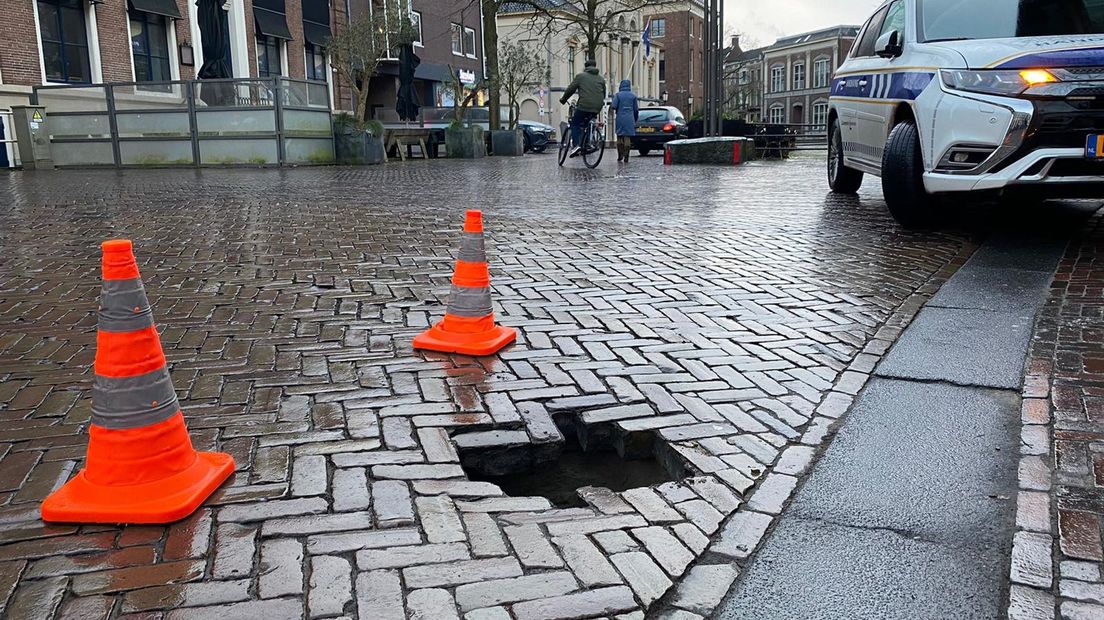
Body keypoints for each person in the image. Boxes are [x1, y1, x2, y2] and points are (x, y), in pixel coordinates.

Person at [559, 59, 607, 158]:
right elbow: (604, 93)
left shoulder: (580, 76)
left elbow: (571, 89)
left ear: (585, 67)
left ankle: (576, 146)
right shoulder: (601, 79)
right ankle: (588, 143)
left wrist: (563, 99)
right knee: (588, 122)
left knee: (575, 123)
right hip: (597, 106)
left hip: (584, 105)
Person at [610, 79, 639, 163]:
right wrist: (635, 119)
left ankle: (620, 155)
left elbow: (614, 106)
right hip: (630, 118)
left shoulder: (618, 95)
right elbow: (636, 110)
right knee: (627, 137)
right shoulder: (633, 96)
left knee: (619, 136)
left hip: (620, 117)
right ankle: (627, 155)